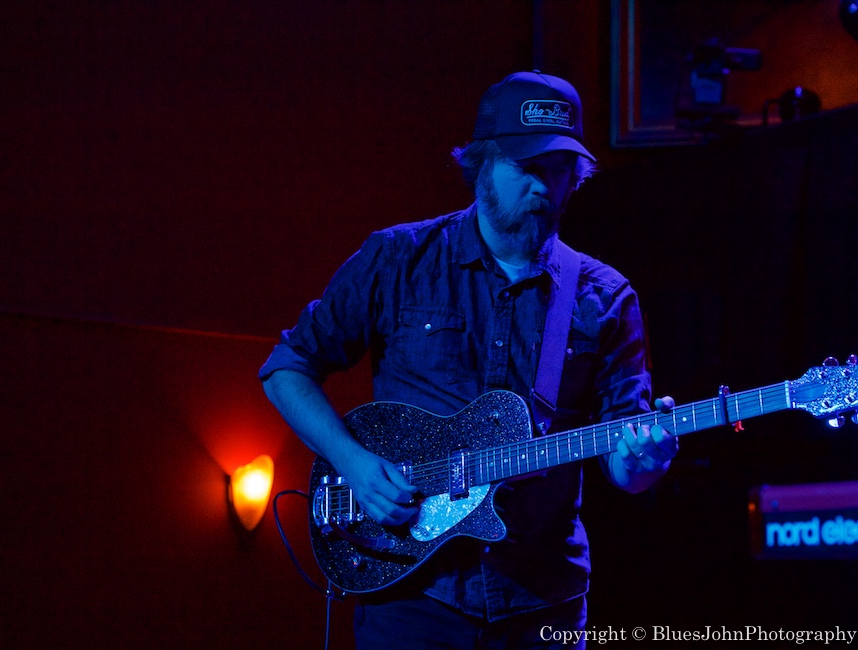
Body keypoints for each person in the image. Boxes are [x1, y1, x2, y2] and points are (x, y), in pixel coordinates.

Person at [260, 71, 678, 649]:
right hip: (411, 592)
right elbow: (287, 368)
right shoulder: (399, 258)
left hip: (541, 601)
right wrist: (353, 463)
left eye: (559, 172)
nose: (542, 188)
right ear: (482, 163)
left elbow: (627, 471)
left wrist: (647, 458)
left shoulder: (604, 297)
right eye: (526, 167)